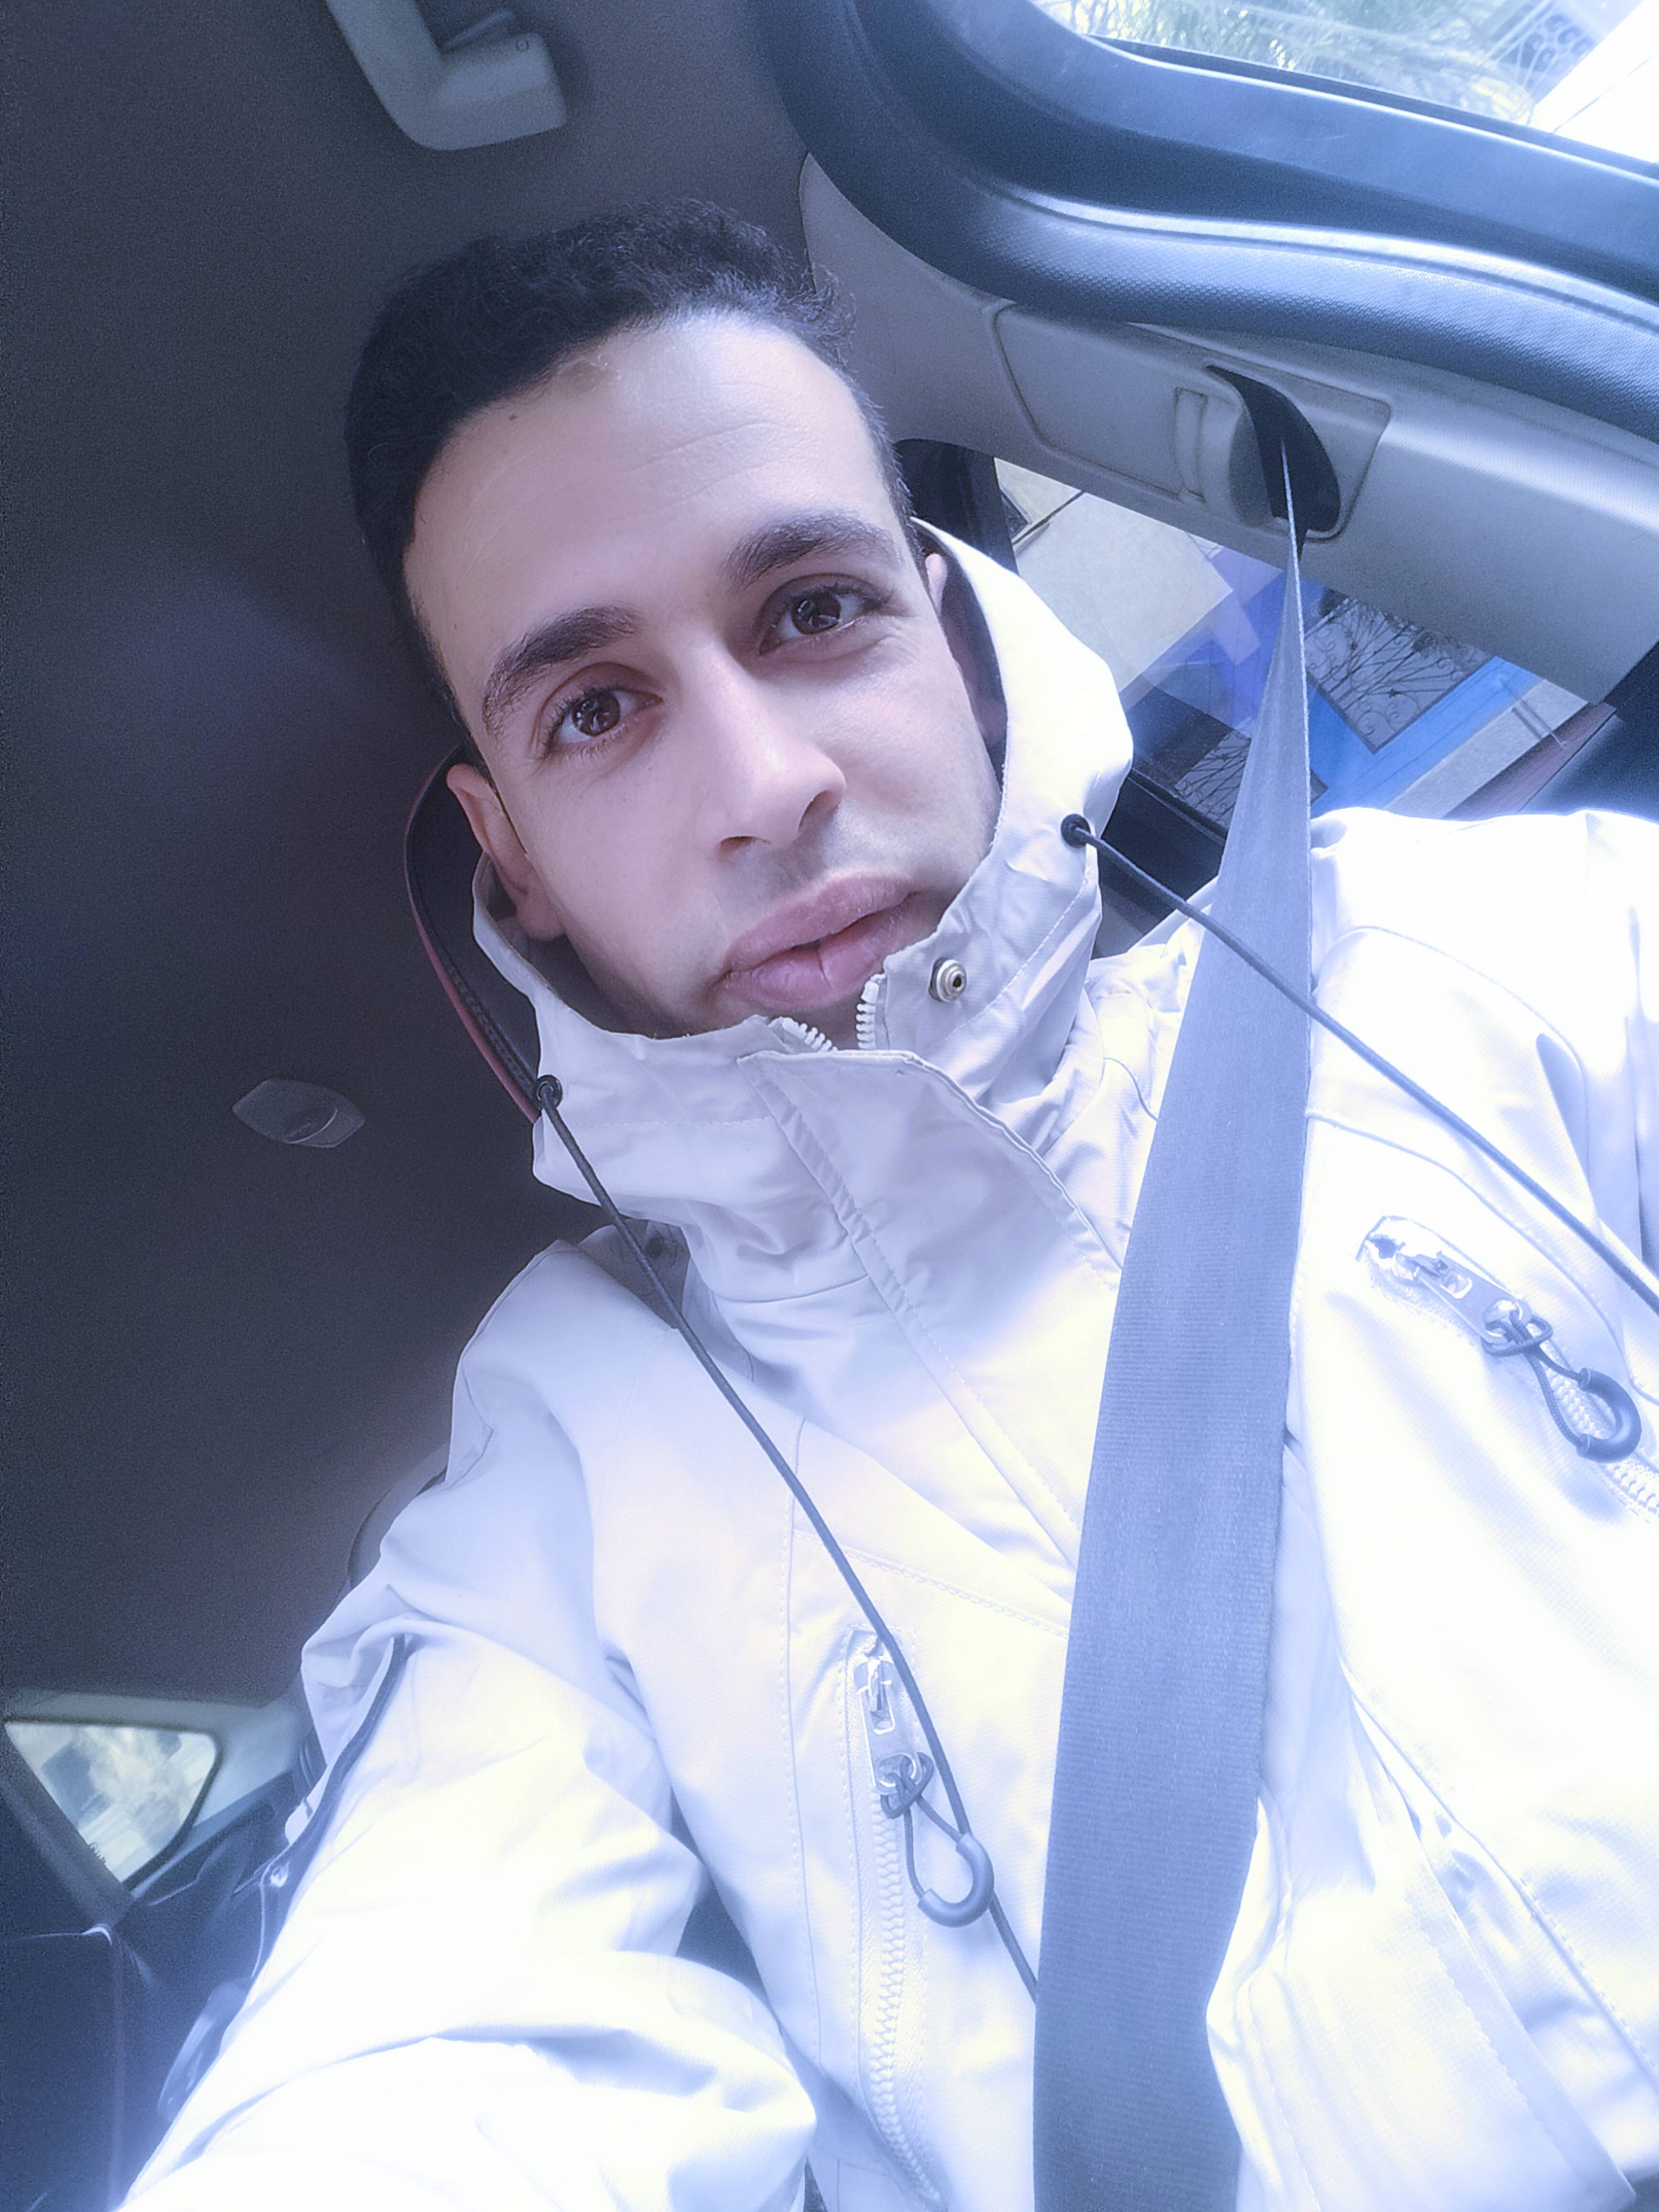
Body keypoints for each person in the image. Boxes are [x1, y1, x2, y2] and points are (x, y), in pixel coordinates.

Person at [126, 204, 1658, 2211]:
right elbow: (430, 2043)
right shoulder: (565, 1480)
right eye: (594, 709)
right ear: (514, 858)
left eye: (813, 611)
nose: (764, 783)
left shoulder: (1492, 957)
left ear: (952, 635)